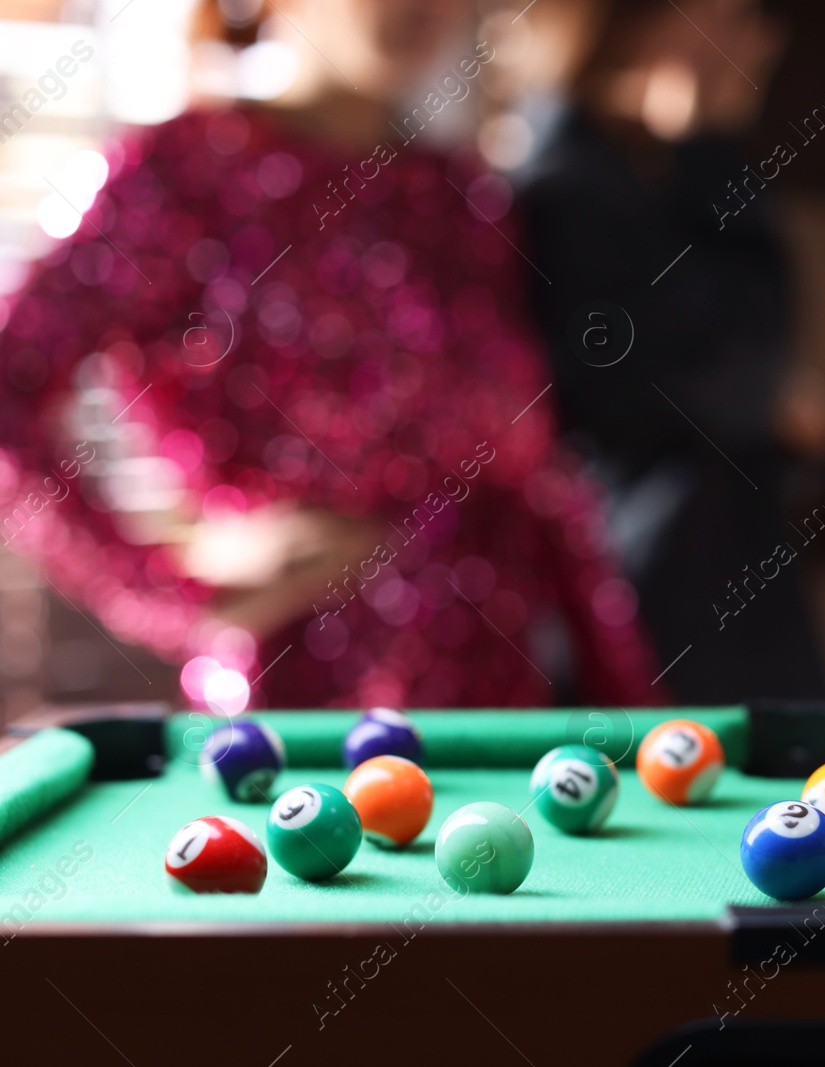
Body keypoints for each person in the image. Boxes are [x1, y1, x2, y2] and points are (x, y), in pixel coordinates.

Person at [0, 0, 660, 709]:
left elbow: (537, 475)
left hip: (498, 714)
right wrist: (164, 586)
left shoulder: (465, 196)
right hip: (299, 717)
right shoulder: (183, 175)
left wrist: (622, 690)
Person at [514, 0, 825, 703]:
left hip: (720, 591)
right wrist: (709, 144)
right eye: (733, 13)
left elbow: (746, 362)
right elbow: (732, 373)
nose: (760, 40)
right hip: (643, 613)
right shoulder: (558, 185)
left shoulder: (647, 167)